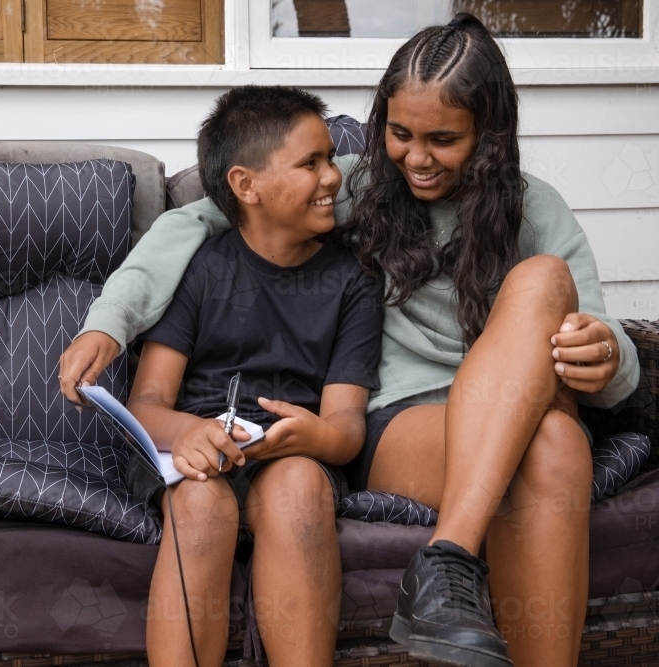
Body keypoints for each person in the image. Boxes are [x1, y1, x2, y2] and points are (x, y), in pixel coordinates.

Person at [60, 13, 641, 667]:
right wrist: (109, 319)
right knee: (557, 441)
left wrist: (607, 355)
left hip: (522, 411)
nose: (416, 158)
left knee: (546, 295)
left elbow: (614, 368)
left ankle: (444, 562)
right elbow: (204, 216)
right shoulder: (362, 188)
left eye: (443, 139)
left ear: (489, 136)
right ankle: (445, 567)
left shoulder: (537, 210)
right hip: (410, 429)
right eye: (399, 133)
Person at [123, 86, 384, 667]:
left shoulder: (353, 281)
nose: (332, 177)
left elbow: (346, 424)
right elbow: (145, 403)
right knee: (201, 504)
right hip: (194, 452)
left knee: (300, 488)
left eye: (331, 158)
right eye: (309, 162)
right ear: (247, 186)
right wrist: (188, 432)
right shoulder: (201, 266)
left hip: (288, 453)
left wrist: (319, 438)